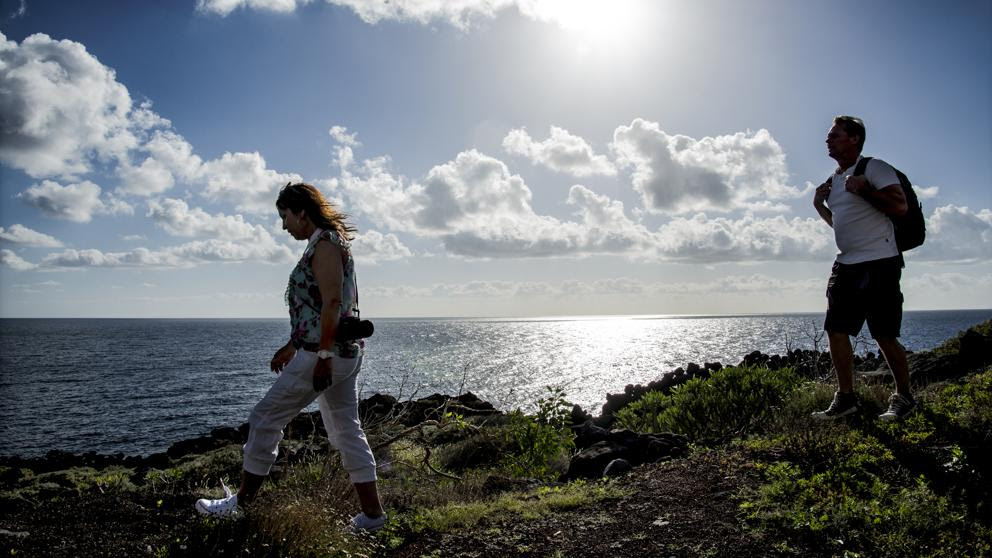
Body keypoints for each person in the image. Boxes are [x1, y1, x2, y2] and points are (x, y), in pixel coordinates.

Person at [195, 182, 387, 532]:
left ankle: (239, 506)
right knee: (346, 430)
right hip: (338, 351)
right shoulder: (324, 243)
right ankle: (373, 517)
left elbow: (331, 303)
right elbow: (317, 309)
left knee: (265, 418)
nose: (283, 226)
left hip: (325, 354)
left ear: (302, 212)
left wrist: (323, 356)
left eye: (284, 216)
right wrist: (292, 344)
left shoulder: (326, 244)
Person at [811, 115, 916, 422]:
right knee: (836, 330)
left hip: (880, 262)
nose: (828, 140)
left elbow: (899, 206)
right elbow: (841, 226)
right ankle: (846, 400)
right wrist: (820, 206)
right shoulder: (835, 180)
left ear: (854, 138)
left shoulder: (874, 168)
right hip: (846, 263)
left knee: (884, 334)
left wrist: (864, 189)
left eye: (835, 135)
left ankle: (905, 398)